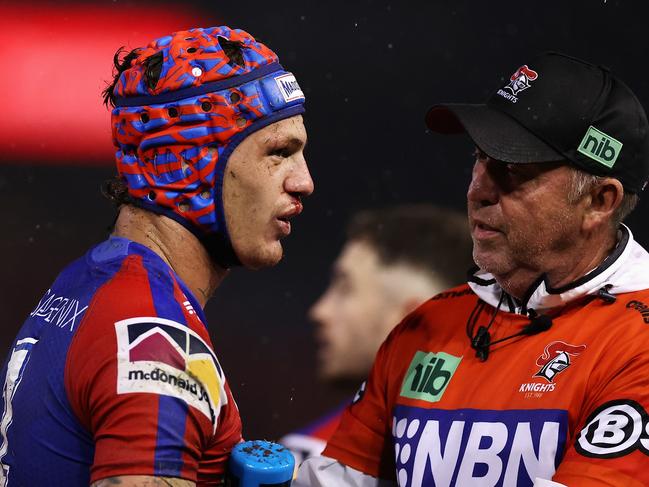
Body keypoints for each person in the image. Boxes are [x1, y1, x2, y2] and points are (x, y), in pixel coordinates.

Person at [295, 52, 649, 486]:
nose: (478, 190)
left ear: (600, 202)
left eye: (512, 169)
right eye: (480, 158)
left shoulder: (639, 342)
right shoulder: (428, 324)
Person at [0, 26, 313, 486]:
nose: (304, 181)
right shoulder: (156, 337)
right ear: (177, 163)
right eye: (279, 152)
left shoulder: (88, 283)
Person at [280, 205, 473, 463]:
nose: (319, 312)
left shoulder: (317, 462)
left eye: (345, 287)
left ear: (413, 322)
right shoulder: (521, 453)